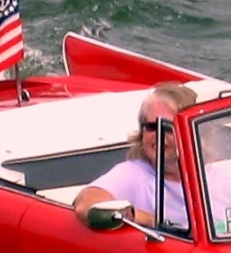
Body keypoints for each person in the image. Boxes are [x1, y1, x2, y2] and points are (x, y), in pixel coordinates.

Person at [73, 82, 197, 231]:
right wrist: (152, 221)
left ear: (192, 132)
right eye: (151, 127)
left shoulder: (219, 179)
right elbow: (87, 205)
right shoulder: (133, 174)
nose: (158, 135)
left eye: (168, 128)